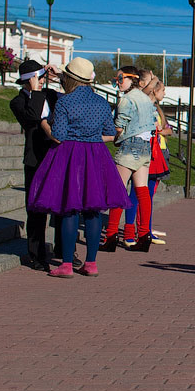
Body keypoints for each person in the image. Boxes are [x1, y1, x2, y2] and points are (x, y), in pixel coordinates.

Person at [27, 58, 129, 277]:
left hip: (69, 156)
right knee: (93, 210)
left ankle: (65, 265)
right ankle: (91, 263)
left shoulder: (65, 102)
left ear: (70, 78)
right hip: (95, 154)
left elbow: (59, 136)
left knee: (69, 209)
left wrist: (44, 123)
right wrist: (90, 138)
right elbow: (111, 133)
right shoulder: (101, 102)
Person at [9, 59, 62, 271]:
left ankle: (63, 249)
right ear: (28, 80)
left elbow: (73, 98)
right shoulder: (18, 101)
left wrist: (58, 76)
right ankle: (36, 254)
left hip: (55, 156)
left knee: (61, 206)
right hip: (35, 159)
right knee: (36, 209)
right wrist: (35, 91)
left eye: (42, 77)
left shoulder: (51, 94)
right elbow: (31, 118)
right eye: (38, 78)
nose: (41, 81)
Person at [101, 66, 158, 252]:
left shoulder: (126, 100)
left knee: (118, 191)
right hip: (144, 147)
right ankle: (144, 235)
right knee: (142, 192)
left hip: (129, 146)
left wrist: (112, 138)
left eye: (120, 78)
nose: (118, 82)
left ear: (130, 79)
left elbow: (118, 128)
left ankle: (110, 236)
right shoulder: (146, 100)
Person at [123, 81, 173, 246]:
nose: (165, 93)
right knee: (137, 193)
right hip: (144, 151)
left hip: (157, 152)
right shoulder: (140, 106)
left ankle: (145, 229)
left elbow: (168, 129)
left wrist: (159, 129)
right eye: (163, 90)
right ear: (154, 90)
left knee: (148, 194)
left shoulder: (156, 108)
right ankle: (130, 231)